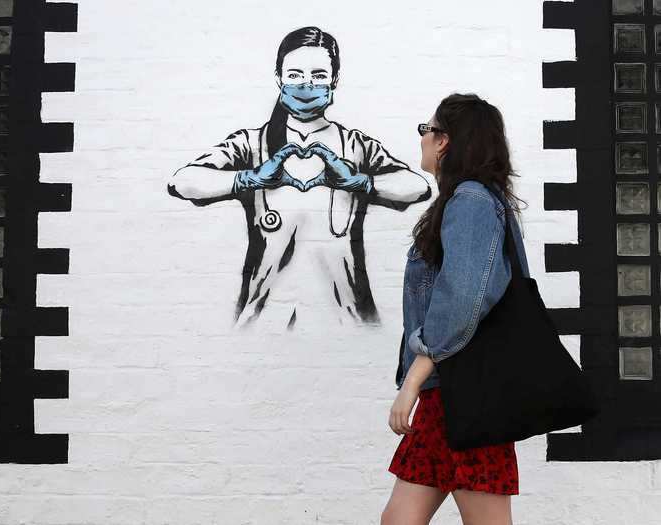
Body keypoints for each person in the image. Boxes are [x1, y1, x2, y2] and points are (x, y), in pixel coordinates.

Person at [166, 26, 431, 330]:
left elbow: (417, 186)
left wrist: (360, 182)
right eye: (294, 75)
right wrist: (249, 179)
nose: (306, 85)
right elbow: (182, 182)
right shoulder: (253, 144)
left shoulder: (355, 146)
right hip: (262, 321)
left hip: (348, 323)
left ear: (335, 80)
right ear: (279, 79)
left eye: (318, 75)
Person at [382, 93, 530, 525]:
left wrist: (411, 382)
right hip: (448, 394)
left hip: (469, 395)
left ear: (444, 141)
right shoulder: (468, 202)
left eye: (426, 130)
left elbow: (461, 301)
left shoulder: (471, 202)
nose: (423, 139)